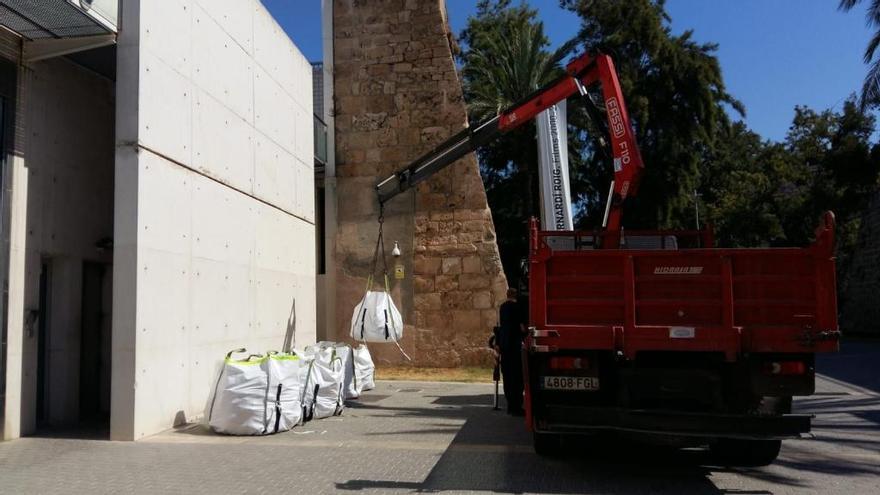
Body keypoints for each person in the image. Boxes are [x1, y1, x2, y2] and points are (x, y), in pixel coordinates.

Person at [498, 287, 526, 415]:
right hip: (515, 345)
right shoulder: (517, 308)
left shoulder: (502, 307)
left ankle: (510, 405)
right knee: (517, 377)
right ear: (516, 296)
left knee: (507, 376)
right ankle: (517, 406)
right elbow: (521, 327)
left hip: (505, 345)